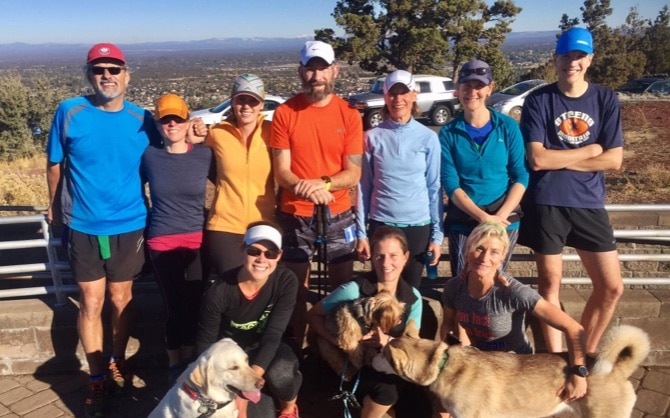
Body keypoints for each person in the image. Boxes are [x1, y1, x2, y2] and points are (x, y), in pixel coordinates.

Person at [45, 43, 163, 418]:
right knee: (91, 302)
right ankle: (96, 376)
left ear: (127, 75)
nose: (107, 75)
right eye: (99, 70)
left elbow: (165, 157)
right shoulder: (70, 112)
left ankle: (117, 360)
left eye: (114, 69)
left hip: (130, 224)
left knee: (120, 300)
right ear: (89, 75)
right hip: (83, 224)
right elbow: (54, 164)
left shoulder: (142, 120)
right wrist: (55, 210)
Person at [518, 27, 624, 354]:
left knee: (611, 288)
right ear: (556, 59)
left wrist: (561, 160)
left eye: (579, 56)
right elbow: (536, 159)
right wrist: (590, 150)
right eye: (566, 55)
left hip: (589, 204)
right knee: (550, 286)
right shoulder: (539, 99)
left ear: (589, 59)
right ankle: (554, 363)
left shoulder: (605, 99)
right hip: (547, 202)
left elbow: (615, 160)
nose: (572, 63)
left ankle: (583, 356)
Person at [271, 40, 363, 344]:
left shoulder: (349, 114)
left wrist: (322, 185)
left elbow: (353, 172)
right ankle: (297, 348)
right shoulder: (285, 113)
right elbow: (282, 171)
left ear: (334, 71)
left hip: (338, 214)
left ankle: (340, 349)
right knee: (295, 288)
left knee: (343, 288)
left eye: (322, 69)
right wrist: (305, 188)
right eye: (310, 69)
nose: (316, 76)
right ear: (300, 72)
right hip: (296, 214)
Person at [441, 222, 588, 404]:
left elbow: (573, 328)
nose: (485, 257)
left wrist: (578, 372)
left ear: (502, 256)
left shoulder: (513, 292)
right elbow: (448, 323)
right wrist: (453, 351)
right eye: (479, 249)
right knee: (443, 405)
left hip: (517, 370)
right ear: (468, 250)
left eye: (494, 252)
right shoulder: (454, 287)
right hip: (480, 367)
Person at [308, 226, 432, 418]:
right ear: (371, 257)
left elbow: (413, 343)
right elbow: (314, 315)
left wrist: (387, 341)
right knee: (387, 389)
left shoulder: (413, 297)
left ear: (406, 257)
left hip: (390, 361)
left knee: (419, 403)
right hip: (350, 365)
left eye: (393, 256)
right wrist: (339, 342)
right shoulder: (353, 290)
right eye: (379, 256)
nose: (386, 263)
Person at [195, 223, 302, 418]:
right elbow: (206, 344)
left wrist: (246, 389)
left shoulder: (286, 281)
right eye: (254, 251)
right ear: (242, 250)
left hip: (272, 345)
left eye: (270, 253)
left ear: (279, 256)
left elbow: (273, 334)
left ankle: (288, 409)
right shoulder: (218, 292)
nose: (262, 259)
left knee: (281, 373)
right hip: (234, 355)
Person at [141, 94, 212, 379]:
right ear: (158, 125)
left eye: (178, 119)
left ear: (187, 121)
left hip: (197, 238)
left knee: (194, 301)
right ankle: (175, 363)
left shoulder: (204, 155)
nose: (172, 124)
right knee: (172, 305)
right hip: (161, 239)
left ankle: (192, 361)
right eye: (165, 119)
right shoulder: (148, 156)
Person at [355, 70, 443, 290]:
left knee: (410, 292)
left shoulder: (428, 138)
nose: (398, 99)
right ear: (385, 97)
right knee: (382, 291)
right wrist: (361, 233)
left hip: (417, 227)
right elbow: (363, 187)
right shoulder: (371, 137)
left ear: (414, 94)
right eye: (392, 94)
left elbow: (434, 188)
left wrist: (437, 237)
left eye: (403, 92)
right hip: (381, 224)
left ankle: (411, 326)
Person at [439, 59, 528, 276]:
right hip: (464, 219)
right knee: (463, 283)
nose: (472, 92)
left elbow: (521, 175)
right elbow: (451, 184)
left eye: (479, 86)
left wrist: (499, 218)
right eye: (466, 85)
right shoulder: (448, 133)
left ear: (490, 88)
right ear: (458, 89)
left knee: (494, 282)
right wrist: (483, 218)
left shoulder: (507, 127)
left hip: (504, 218)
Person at [205, 74, 276, 275]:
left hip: (263, 222)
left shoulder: (272, 132)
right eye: (241, 99)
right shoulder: (216, 134)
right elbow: (209, 169)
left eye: (253, 100)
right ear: (232, 101)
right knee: (230, 288)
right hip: (224, 225)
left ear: (261, 104)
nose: (246, 106)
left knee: (259, 289)